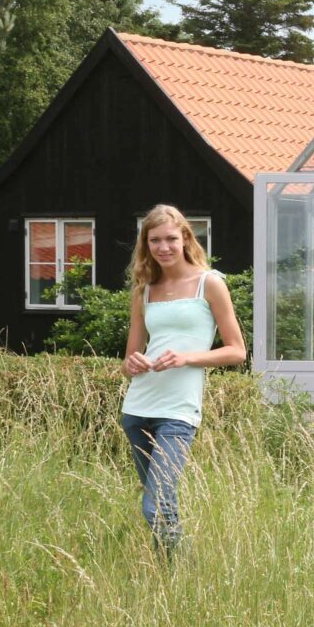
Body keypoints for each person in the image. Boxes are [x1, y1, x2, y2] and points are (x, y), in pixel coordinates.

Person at [120, 204, 246, 556]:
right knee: (164, 503)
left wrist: (188, 357)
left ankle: (178, 566)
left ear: (186, 238)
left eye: (171, 239)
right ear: (146, 244)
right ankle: (173, 576)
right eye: (155, 240)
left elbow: (237, 351)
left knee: (155, 505)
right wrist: (134, 363)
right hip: (137, 409)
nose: (163, 247)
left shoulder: (211, 284)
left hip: (178, 413)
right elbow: (129, 358)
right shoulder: (143, 291)